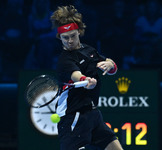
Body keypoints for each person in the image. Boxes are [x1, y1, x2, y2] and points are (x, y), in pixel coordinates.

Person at [50, 5, 123, 150]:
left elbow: (112, 67)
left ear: (79, 32)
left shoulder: (89, 50)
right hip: (73, 118)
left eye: (73, 35)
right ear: (60, 37)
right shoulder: (64, 61)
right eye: (65, 37)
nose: (70, 41)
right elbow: (77, 75)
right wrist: (86, 81)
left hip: (93, 115)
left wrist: (109, 64)